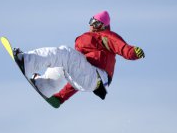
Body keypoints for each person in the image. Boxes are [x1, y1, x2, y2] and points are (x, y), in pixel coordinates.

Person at [14, 11, 145, 108]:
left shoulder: (105, 36)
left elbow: (120, 46)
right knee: (62, 63)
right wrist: (60, 98)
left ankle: (27, 61)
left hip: (96, 77)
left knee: (65, 53)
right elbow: (78, 77)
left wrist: (132, 52)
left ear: (102, 25)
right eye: (90, 21)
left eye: (95, 23)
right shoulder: (86, 58)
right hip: (90, 79)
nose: (91, 25)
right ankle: (44, 86)